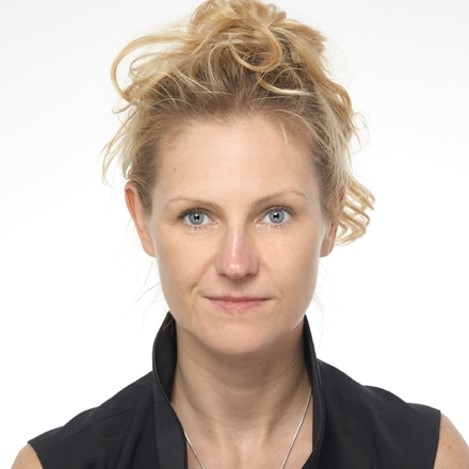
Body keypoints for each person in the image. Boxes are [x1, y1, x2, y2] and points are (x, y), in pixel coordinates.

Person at [12, 0, 469, 467]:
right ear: (141, 219)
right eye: (197, 217)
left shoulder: (428, 455)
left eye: (275, 215)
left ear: (331, 216)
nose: (235, 264)